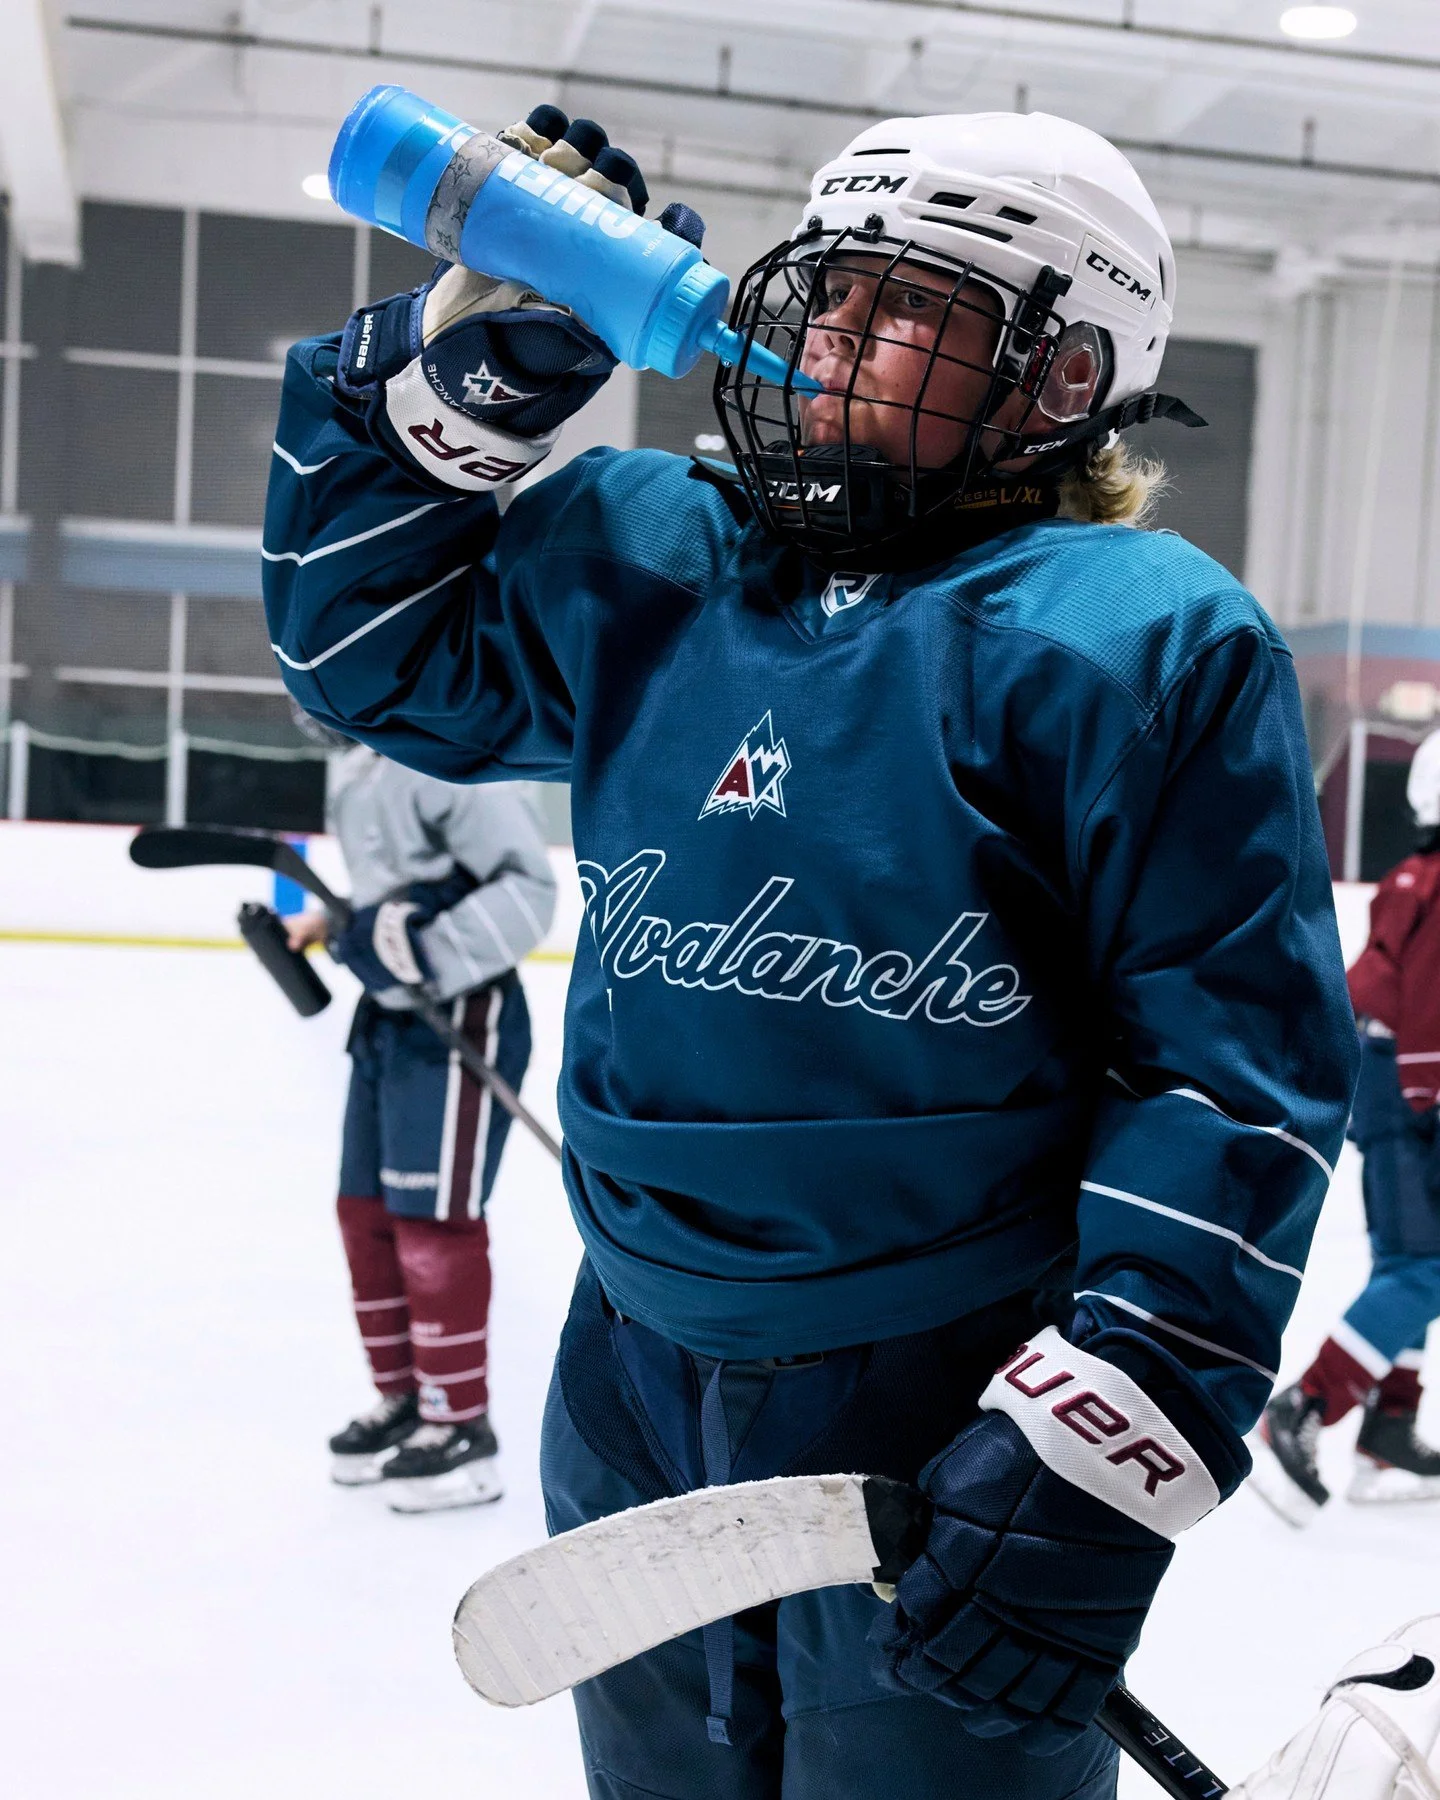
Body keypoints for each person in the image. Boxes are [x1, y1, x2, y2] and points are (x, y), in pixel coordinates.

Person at [264, 104, 1357, 1798]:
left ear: (1063, 375)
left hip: (954, 1386)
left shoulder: (1138, 635)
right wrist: (473, 372)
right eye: (820, 295)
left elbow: (1230, 1076)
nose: (824, 343)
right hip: (628, 1355)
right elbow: (370, 665)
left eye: (901, 308)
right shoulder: (662, 549)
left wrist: (1106, 1432)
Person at [286, 727, 555, 1511]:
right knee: (364, 1212)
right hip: (391, 1022)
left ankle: (463, 1427)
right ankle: (408, 1397)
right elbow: (395, 894)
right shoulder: (354, 761)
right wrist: (338, 928)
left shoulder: (443, 748)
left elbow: (527, 889)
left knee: (433, 1221)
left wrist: (422, 945)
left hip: (461, 1012)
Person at [1252, 730, 1440, 1524]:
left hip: (1394, 1099)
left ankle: (1390, 1423)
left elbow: (1376, 985)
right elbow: (1423, 1006)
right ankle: (1305, 1406)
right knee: (1421, 1272)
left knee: (1412, 1263)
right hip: (1418, 1102)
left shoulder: (1415, 875)